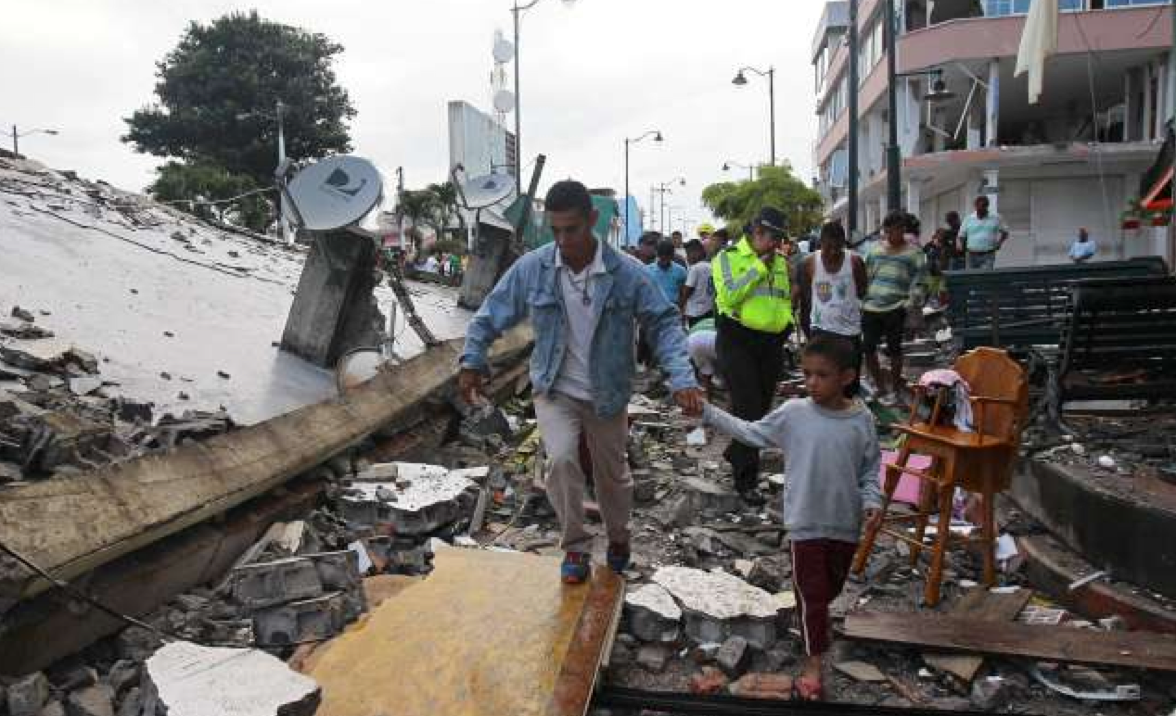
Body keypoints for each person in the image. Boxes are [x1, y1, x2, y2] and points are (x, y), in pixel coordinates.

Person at [459, 180, 703, 584]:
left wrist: (682, 378)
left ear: (592, 220)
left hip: (607, 392)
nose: (562, 239)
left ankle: (619, 537)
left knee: (612, 476)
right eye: (554, 230)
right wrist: (472, 358)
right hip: (554, 388)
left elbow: (663, 322)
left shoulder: (627, 273)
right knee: (560, 462)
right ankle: (574, 546)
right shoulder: (534, 267)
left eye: (570, 229)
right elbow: (491, 313)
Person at [702, 336, 881, 701]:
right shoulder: (794, 413)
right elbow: (751, 433)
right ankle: (814, 665)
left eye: (822, 375)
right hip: (805, 525)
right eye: (807, 374)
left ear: (846, 377)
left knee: (825, 593)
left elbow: (869, 471)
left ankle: (811, 629)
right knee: (813, 596)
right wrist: (707, 411)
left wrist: (872, 501)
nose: (812, 382)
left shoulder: (862, 420)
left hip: (845, 526)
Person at [712, 207, 794, 505]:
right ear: (757, 232)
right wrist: (759, 266)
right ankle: (746, 480)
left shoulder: (781, 262)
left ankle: (736, 451)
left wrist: (788, 326)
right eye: (774, 237)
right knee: (747, 408)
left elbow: (783, 297)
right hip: (737, 339)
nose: (777, 244)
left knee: (761, 410)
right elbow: (730, 295)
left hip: (771, 343)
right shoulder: (728, 258)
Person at [862, 211, 926, 405]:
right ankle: (880, 387)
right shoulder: (874, 251)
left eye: (898, 229)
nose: (893, 233)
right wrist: (862, 299)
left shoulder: (914, 253)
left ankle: (896, 389)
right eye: (889, 230)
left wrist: (911, 301)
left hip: (896, 306)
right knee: (868, 348)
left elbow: (922, 279)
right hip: (871, 307)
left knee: (894, 350)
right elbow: (866, 276)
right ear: (885, 230)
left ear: (903, 229)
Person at [796, 221, 867, 394]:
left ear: (844, 243)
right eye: (828, 247)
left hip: (850, 333)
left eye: (838, 247)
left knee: (848, 384)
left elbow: (862, 290)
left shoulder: (855, 261)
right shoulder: (809, 263)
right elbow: (806, 299)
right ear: (821, 243)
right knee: (823, 384)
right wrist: (809, 334)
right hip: (821, 331)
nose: (834, 252)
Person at [960, 196, 1009, 270]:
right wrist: (960, 244)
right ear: (975, 207)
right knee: (971, 277)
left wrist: (999, 243)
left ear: (987, 207)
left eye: (982, 209)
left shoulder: (996, 218)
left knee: (985, 276)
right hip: (971, 254)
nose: (980, 212)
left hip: (988, 254)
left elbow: (1005, 232)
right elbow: (961, 235)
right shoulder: (968, 218)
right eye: (978, 209)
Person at [680, 239, 715, 326]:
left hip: (695, 312)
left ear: (697, 252)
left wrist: (681, 308)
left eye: (688, 253)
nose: (687, 257)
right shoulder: (711, 266)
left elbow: (687, 291)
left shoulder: (695, 268)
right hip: (709, 310)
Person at [646, 239, 688, 304]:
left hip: (674, 308)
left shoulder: (681, 271)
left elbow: (684, 293)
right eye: (662, 258)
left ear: (672, 255)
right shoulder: (648, 270)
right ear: (657, 254)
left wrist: (681, 306)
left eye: (667, 257)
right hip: (653, 308)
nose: (665, 261)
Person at [686, 316, 719, 394]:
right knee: (729, 374)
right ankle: (731, 403)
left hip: (694, 340)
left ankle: (707, 395)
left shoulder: (689, 335)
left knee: (706, 371)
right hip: (715, 338)